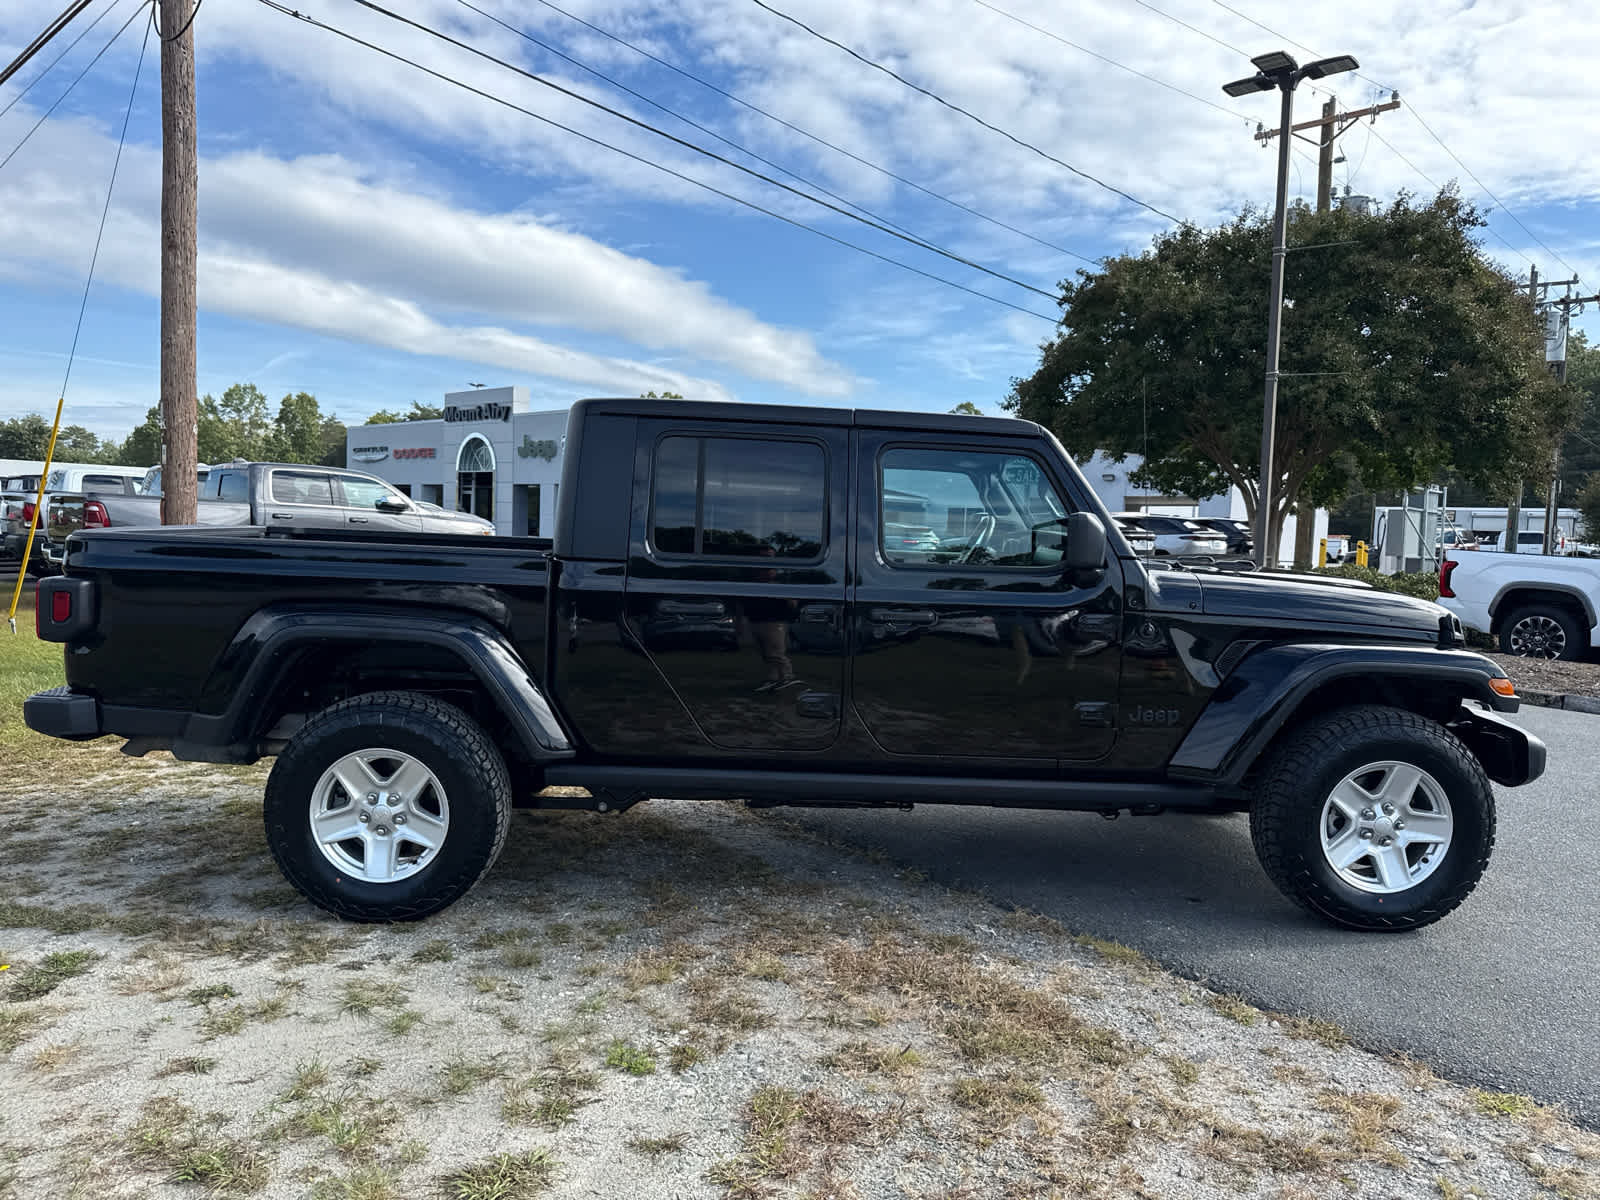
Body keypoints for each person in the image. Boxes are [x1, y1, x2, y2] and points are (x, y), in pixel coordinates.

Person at [746, 545, 801, 692]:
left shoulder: (781, 578)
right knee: (765, 654)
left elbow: (793, 602)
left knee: (776, 653)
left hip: (775, 622)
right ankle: (772, 679)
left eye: (769, 557)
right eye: (762, 557)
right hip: (755, 620)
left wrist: (782, 593)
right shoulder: (752, 578)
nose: (766, 561)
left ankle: (787, 677)